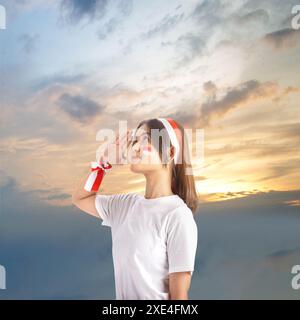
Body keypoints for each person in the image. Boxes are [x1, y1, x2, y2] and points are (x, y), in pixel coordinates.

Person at [72, 118, 199, 300]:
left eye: (146, 140)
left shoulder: (178, 216)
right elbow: (80, 198)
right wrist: (103, 165)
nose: (135, 148)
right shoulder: (124, 205)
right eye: (135, 141)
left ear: (170, 152)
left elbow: (179, 297)